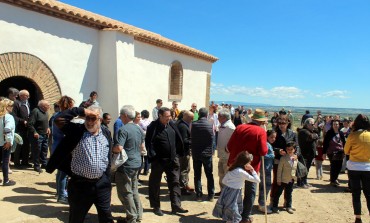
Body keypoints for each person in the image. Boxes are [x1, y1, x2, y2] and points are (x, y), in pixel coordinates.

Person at [46, 105, 114, 223]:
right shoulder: (77, 130)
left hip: (101, 184)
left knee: (106, 217)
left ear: (100, 120)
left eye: (93, 118)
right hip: (80, 185)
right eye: (87, 117)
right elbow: (59, 119)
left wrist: (107, 177)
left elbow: (108, 156)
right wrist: (82, 110)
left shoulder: (106, 133)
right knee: (76, 219)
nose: (89, 121)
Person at [227, 108, 268, 223]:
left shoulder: (239, 127)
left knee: (235, 191)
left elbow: (229, 147)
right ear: (261, 122)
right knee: (250, 192)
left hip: (235, 165)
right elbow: (263, 151)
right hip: (251, 166)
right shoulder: (260, 132)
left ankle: (233, 215)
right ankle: (245, 217)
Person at [145, 107, 188, 216]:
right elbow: (149, 143)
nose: (169, 118)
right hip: (158, 161)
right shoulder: (153, 127)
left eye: (170, 116)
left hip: (172, 160)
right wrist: (154, 157)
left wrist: (177, 154)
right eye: (167, 116)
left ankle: (176, 205)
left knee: (175, 182)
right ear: (160, 116)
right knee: (155, 184)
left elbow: (178, 139)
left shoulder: (172, 124)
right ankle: (156, 206)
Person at [114, 105, 143, 223]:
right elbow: (141, 146)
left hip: (126, 165)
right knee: (134, 189)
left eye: (121, 115)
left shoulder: (123, 129)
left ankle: (132, 218)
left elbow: (119, 147)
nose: (120, 117)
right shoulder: (138, 129)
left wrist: (112, 149)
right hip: (137, 162)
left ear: (125, 116)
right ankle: (138, 215)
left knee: (125, 192)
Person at [212, 151, 260, 223]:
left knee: (229, 207)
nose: (250, 164)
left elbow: (224, 181)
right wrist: (252, 170)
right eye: (249, 162)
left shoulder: (232, 169)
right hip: (235, 192)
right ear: (245, 163)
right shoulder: (241, 172)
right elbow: (257, 180)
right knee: (234, 209)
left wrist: (231, 184)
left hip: (227, 190)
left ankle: (228, 220)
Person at [344, 114, 370, 223]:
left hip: (354, 167)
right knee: (369, 194)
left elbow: (346, 151)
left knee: (356, 193)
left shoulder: (352, 135)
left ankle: (358, 217)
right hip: (368, 167)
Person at [50, 96, 74, 204]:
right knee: (63, 173)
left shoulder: (56, 115)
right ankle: (61, 195)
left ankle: (59, 192)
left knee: (60, 172)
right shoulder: (65, 118)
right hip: (63, 147)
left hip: (56, 145)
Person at [192, 107, 215, 201]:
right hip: (207, 153)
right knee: (209, 174)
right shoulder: (211, 125)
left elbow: (192, 137)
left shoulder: (193, 124)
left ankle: (198, 194)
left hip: (196, 153)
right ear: (206, 115)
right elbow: (212, 140)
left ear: (199, 115)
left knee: (197, 174)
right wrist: (212, 150)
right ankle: (211, 195)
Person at [272, 141, 298, 214]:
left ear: (294, 150)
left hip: (291, 179)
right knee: (278, 193)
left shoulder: (295, 157)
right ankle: (274, 206)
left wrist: (295, 178)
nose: (290, 151)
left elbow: (295, 168)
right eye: (288, 149)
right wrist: (278, 179)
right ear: (286, 149)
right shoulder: (283, 158)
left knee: (289, 193)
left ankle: (288, 206)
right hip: (283, 179)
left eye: (291, 149)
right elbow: (279, 169)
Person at [215, 108, 235, 196]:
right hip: (222, 155)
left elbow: (235, 141)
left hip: (227, 156)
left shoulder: (230, 127)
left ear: (223, 117)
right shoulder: (222, 125)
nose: (217, 118)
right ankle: (222, 191)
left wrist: (228, 149)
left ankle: (227, 193)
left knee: (227, 175)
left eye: (219, 116)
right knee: (221, 174)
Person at [28, 100, 50, 173]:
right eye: (47, 105)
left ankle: (44, 163)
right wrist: (34, 132)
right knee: (37, 150)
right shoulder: (35, 111)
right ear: (42, 106)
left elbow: (46, 122)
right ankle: (36, 166)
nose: (49, 106)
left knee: (44, 150)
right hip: (38, 135)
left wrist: (48, 128)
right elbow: (30, 124)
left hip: (45, 134)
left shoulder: (46, 112)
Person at [258, 129, 276, 214]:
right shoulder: (266, 144)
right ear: (267, 136)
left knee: (264, 185)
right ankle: (262, 204)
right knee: (266, 186)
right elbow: (262, 155)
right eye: (271, 137)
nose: (273, 139)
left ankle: (261, 202)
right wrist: (272, 155)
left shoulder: (268, 144)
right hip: (265, 168)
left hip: (267, 167)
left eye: (274, 137)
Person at [323, 119, 346, 187]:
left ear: (339, 125)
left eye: (337, 124)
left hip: (340, 152)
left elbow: (344, 143)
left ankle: (335, 178)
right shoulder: (329, 133)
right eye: (334, 124)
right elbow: (325, 143)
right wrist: (324, 153)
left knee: (339, 166)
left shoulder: (341, 133)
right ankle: (333, 180)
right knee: (333, 165)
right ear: (332, 125)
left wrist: (345, 151)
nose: (335, 126)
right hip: (331, 152)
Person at [297, 118, 319, 187]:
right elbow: (311, 137)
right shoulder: (303, 131)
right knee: (302, 169)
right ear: (307, 124)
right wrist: (316, 135)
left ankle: (305, 181)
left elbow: (315, 134)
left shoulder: (309, 131)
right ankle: (300, 183)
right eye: (312, 124)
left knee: (307, 169)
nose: (313, 126)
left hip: (309, 154)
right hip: (304, 154)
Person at [176, 110, 194, 195]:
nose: (192, 120)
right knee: (184, 170)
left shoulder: (180, 123)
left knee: (184, 169)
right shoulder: (183, 126)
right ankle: (183, 188)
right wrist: (193, 141)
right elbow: (184, 140)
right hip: (183, 152)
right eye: (191, 118)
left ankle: (184, 185)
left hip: (181, 152)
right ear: (186, 117)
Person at [12, 89, 31, 168]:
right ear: (20, 96)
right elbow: (14, 116)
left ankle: (25, 161)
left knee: (26, 145)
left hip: (27, 128)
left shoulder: (27, 103)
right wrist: (23, 121)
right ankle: (16, 163)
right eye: (25, 95)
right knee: (19, 145)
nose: (26, 97)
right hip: (19, 128)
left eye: (27, 96)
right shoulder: (16, 103)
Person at [0, 98, 16, 186]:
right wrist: (9, 141)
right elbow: (7, 129)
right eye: (11, 106)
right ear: (7, 107)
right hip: (5, 142)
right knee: (5, 162)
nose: (12, 107)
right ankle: (6, 180)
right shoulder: (8, 117)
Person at [138, 110, 151, 175]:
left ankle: (139, 171)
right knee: (147, 157)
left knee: (140, 156)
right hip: (148, 140)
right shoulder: (150, 122)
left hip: (141, 140)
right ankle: (146, 170)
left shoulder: (140, 122)